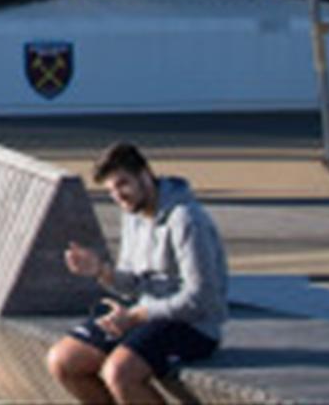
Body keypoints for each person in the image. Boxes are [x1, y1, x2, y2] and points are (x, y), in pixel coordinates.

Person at [46, 142, 228, 405]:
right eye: (111, 190)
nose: (119, 196)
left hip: (193, 326)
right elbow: (132, 283)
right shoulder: (133, 214)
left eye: (123, 184)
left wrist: (135, 316)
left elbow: (201, 299)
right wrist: (101, 271)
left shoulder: (186, 220)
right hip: (146, 316)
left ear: (145, 174)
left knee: (119, 373)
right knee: (63, 361)